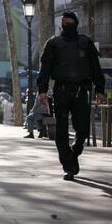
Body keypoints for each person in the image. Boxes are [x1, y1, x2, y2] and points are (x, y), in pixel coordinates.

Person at [37, 11, 105, 181]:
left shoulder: (86, 43)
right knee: (61, 131)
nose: (66, 26)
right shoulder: (53, 44)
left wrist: (100, 90)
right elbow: (45, 69)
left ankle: (73, 154)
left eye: (69, 23)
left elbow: (96, 68)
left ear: (75, 23)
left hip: (81, 91)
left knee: (82, 130)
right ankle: (68, 166)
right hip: (61, 91)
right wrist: (42, 90)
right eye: (63, 23)